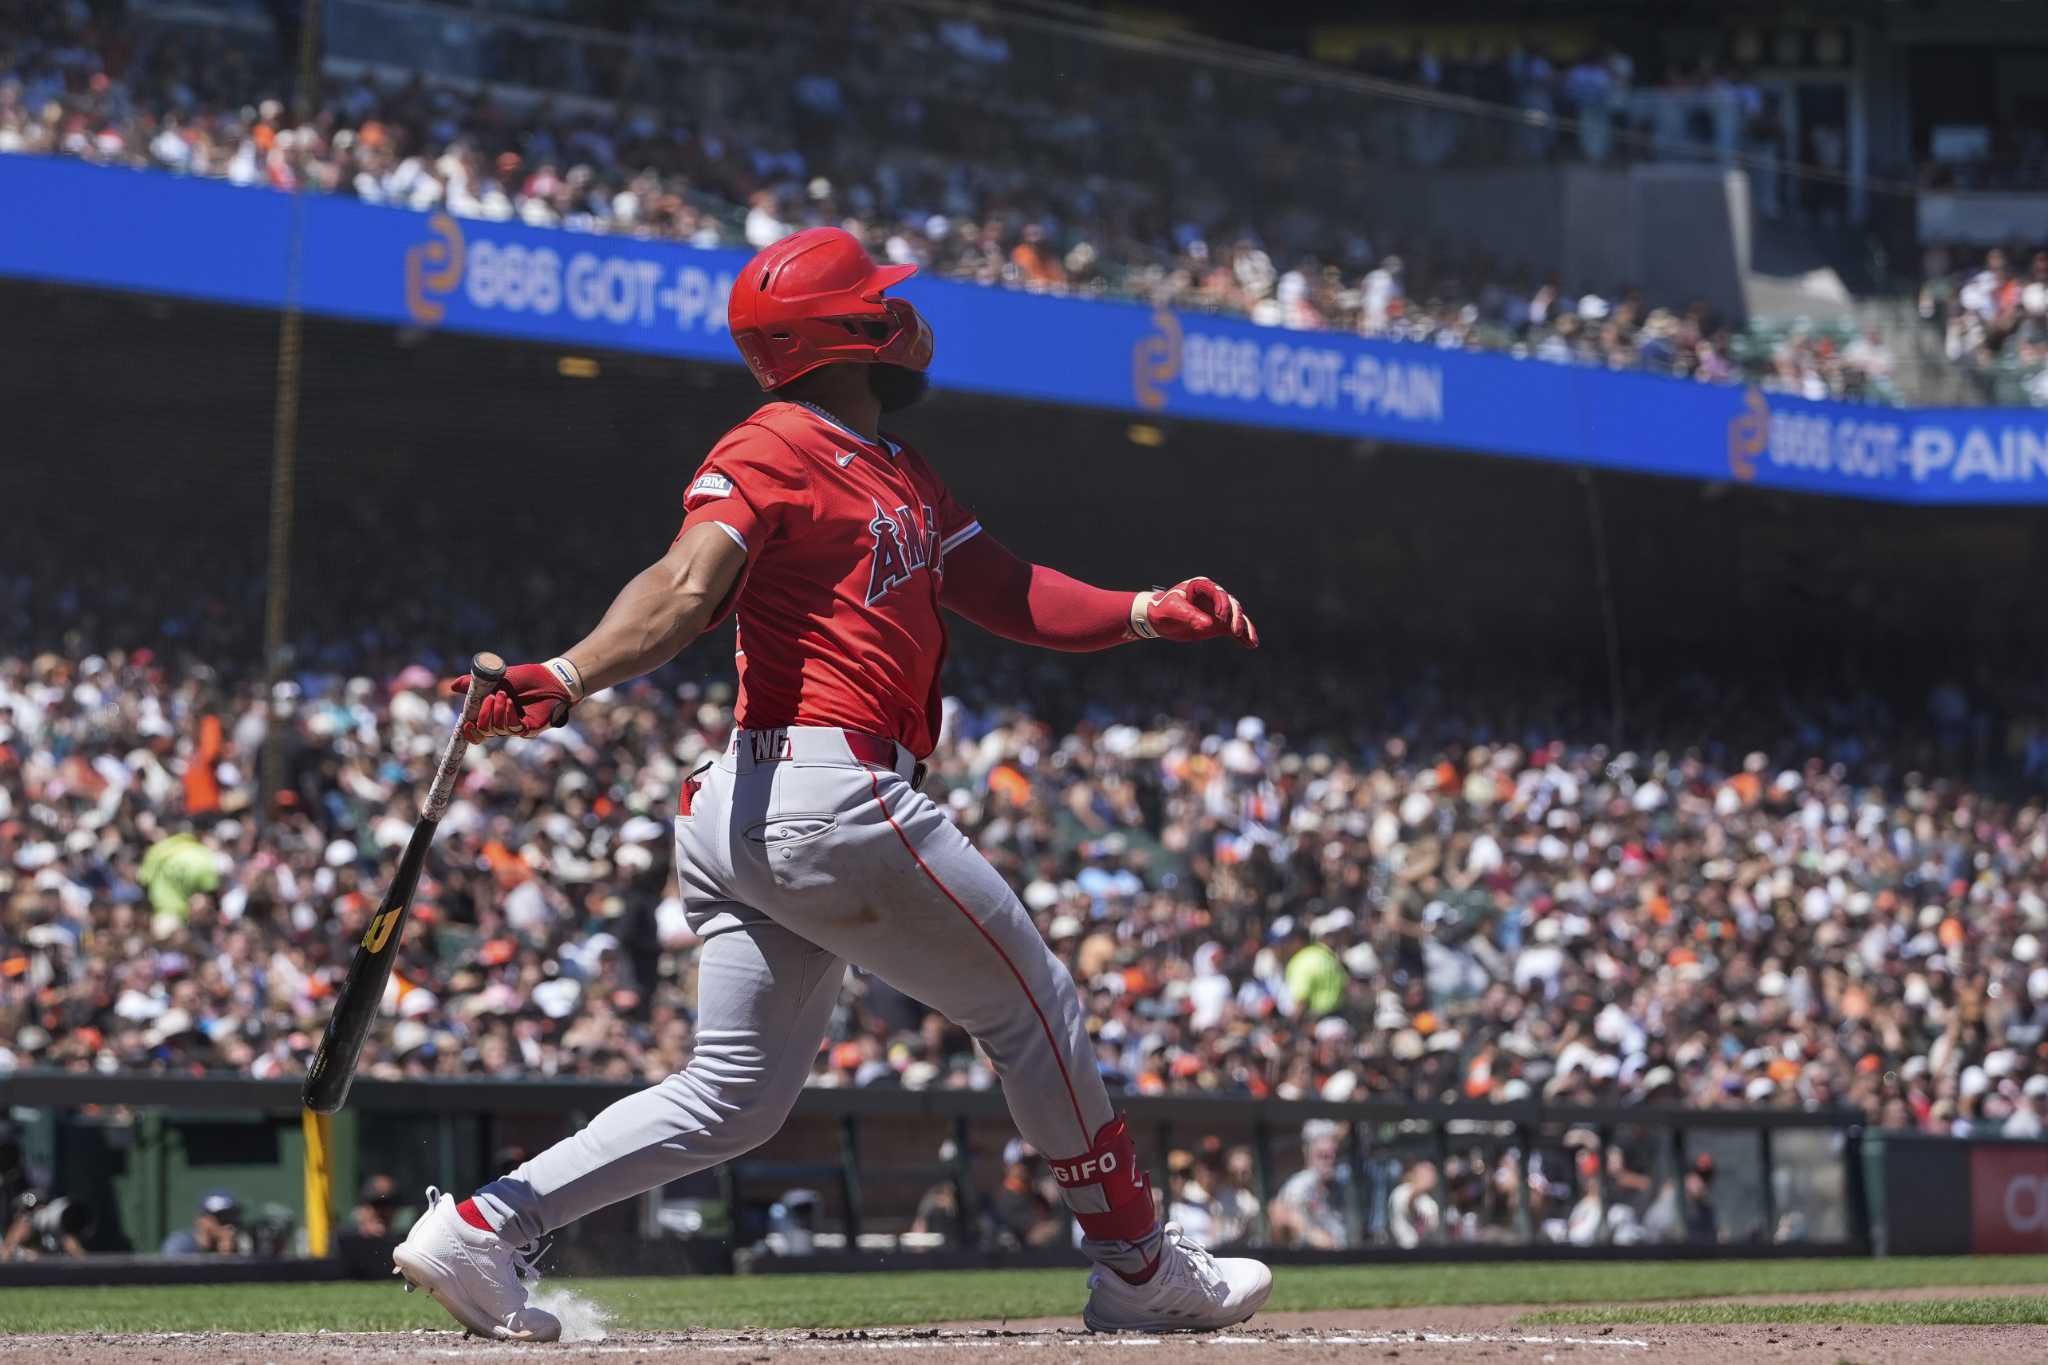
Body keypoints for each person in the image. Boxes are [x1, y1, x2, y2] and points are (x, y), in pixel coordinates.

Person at [393, 226, 1271, 1339]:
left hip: (752, 811)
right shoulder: (772, 442)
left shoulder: (900, 470)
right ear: (849, 333)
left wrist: (1141, 608)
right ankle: (1139, 1267)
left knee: (733, 1099)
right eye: (882, 302)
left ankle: (481, 1224)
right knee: (1032, 1005)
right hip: (826, 791)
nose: (906, 316)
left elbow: (1006, 589)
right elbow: (681, 584)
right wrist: (567, 675)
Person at [161, 1189, 245, 1255]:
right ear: (202, 1221)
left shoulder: (240, 1246)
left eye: (232, 1218)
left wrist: (229, 1255)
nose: (228, 1225)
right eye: (222, 1218)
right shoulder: (181, 1245)